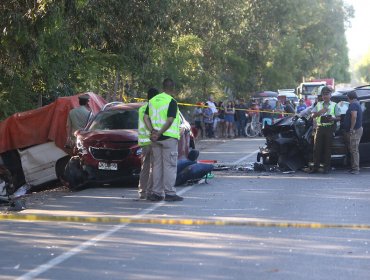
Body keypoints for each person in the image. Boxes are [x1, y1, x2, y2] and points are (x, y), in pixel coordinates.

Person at [144, 78, 183, 202]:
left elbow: (145, 117)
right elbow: (170, 120)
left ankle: (156, 193)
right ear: (173, 89)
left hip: (155, 139)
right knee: (170, 166)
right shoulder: (171, 101)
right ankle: (170, 193)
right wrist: (160, 133)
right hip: (168, 138)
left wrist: (153, 132)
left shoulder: (153, 100)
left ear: (162, 87)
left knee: (157, 166)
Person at [309, 86, 341, 174]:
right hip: (320, 128)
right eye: (323, 95)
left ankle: (326, 168)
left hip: (329, 128)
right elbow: (312, 116)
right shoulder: (319, 104)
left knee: (327, 149)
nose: (325, 96)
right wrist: (319, 112)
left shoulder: (334, 105)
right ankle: (315, 167)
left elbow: (339, 117)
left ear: (330, 95)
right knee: (317, 148)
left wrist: (333, 119)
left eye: (327, 94)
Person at [137, 88, 159, 200]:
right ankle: (150, 191)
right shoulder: (155, 108)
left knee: (144, 168)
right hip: (153, 141)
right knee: (154, 168)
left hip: (143, 142)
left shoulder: (141, 109)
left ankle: (142, 192)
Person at [343, 91, 363, 174]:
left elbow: (354, 116)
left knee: (354, 149)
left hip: (355, 130)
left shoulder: (354, 104)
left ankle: (356, 169)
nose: (347, 99)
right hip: (356, 129)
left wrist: (351, 128)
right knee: (352, 149)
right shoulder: (356, 104)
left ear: (349, 97)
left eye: (347, 97)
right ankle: (353, 167)